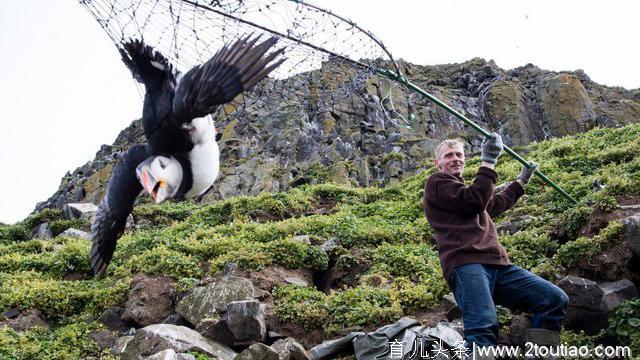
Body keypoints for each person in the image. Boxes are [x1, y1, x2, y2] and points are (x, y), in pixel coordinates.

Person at [423, 134, 569, 358]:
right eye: (449, 155)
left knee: (553, 299)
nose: (455, 159)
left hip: (498, 266)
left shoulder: (465, 193)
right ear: (438, 163)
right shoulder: (437, 183)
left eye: (459, 155)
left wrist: (521, 182)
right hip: (467, 264)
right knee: (483, 324)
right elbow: (477, 200)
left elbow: (492, 205)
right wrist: (489, 159)